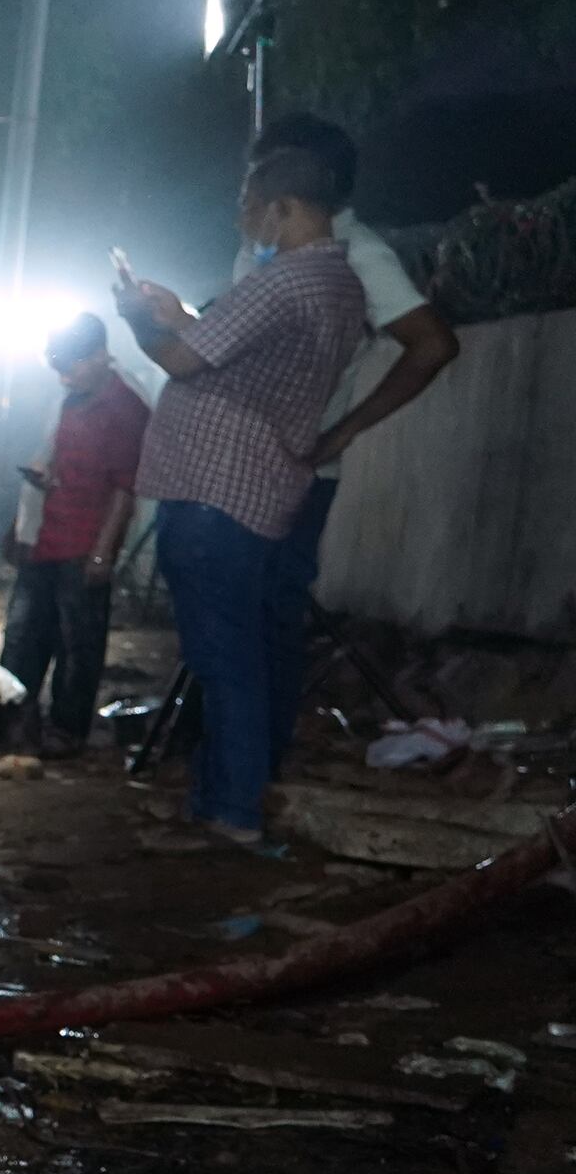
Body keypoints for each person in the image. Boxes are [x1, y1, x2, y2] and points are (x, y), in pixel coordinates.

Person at [114, 142, 369, 845]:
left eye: (251, 206)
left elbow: (185, 357)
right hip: (258, 491)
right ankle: (220, 798)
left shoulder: (282, 281)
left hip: (215, 491)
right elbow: (233, 353)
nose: (245, 219)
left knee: (224, 660)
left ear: (284, 208)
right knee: (238, 656)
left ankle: (231, 811)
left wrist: (135, 315)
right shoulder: (340, 284)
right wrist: (178, 309)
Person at [248, 112, 460, 769]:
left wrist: (343, 429)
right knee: (233, 613)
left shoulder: (359, 255)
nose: (250, 186)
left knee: (271, 615)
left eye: (266, 172)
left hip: (295, 471)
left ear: (309, 185)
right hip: (235, 463)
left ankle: (258, 758)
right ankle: (233, 746)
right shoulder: (262, 238)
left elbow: (434, 344)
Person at [0, 311, 144, 753]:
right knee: (23, 638)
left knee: (77, 644)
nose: (62, 378)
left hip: (83, 544)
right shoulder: (69, 399)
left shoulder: (126, 408)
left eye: (71, 367)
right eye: (57, 368)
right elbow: (50, 464)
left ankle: (67, 730)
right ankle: (12, 724)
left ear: (100, 356)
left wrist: (103, 554)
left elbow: (125, 488)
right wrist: (19, 527)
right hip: (45, 538)